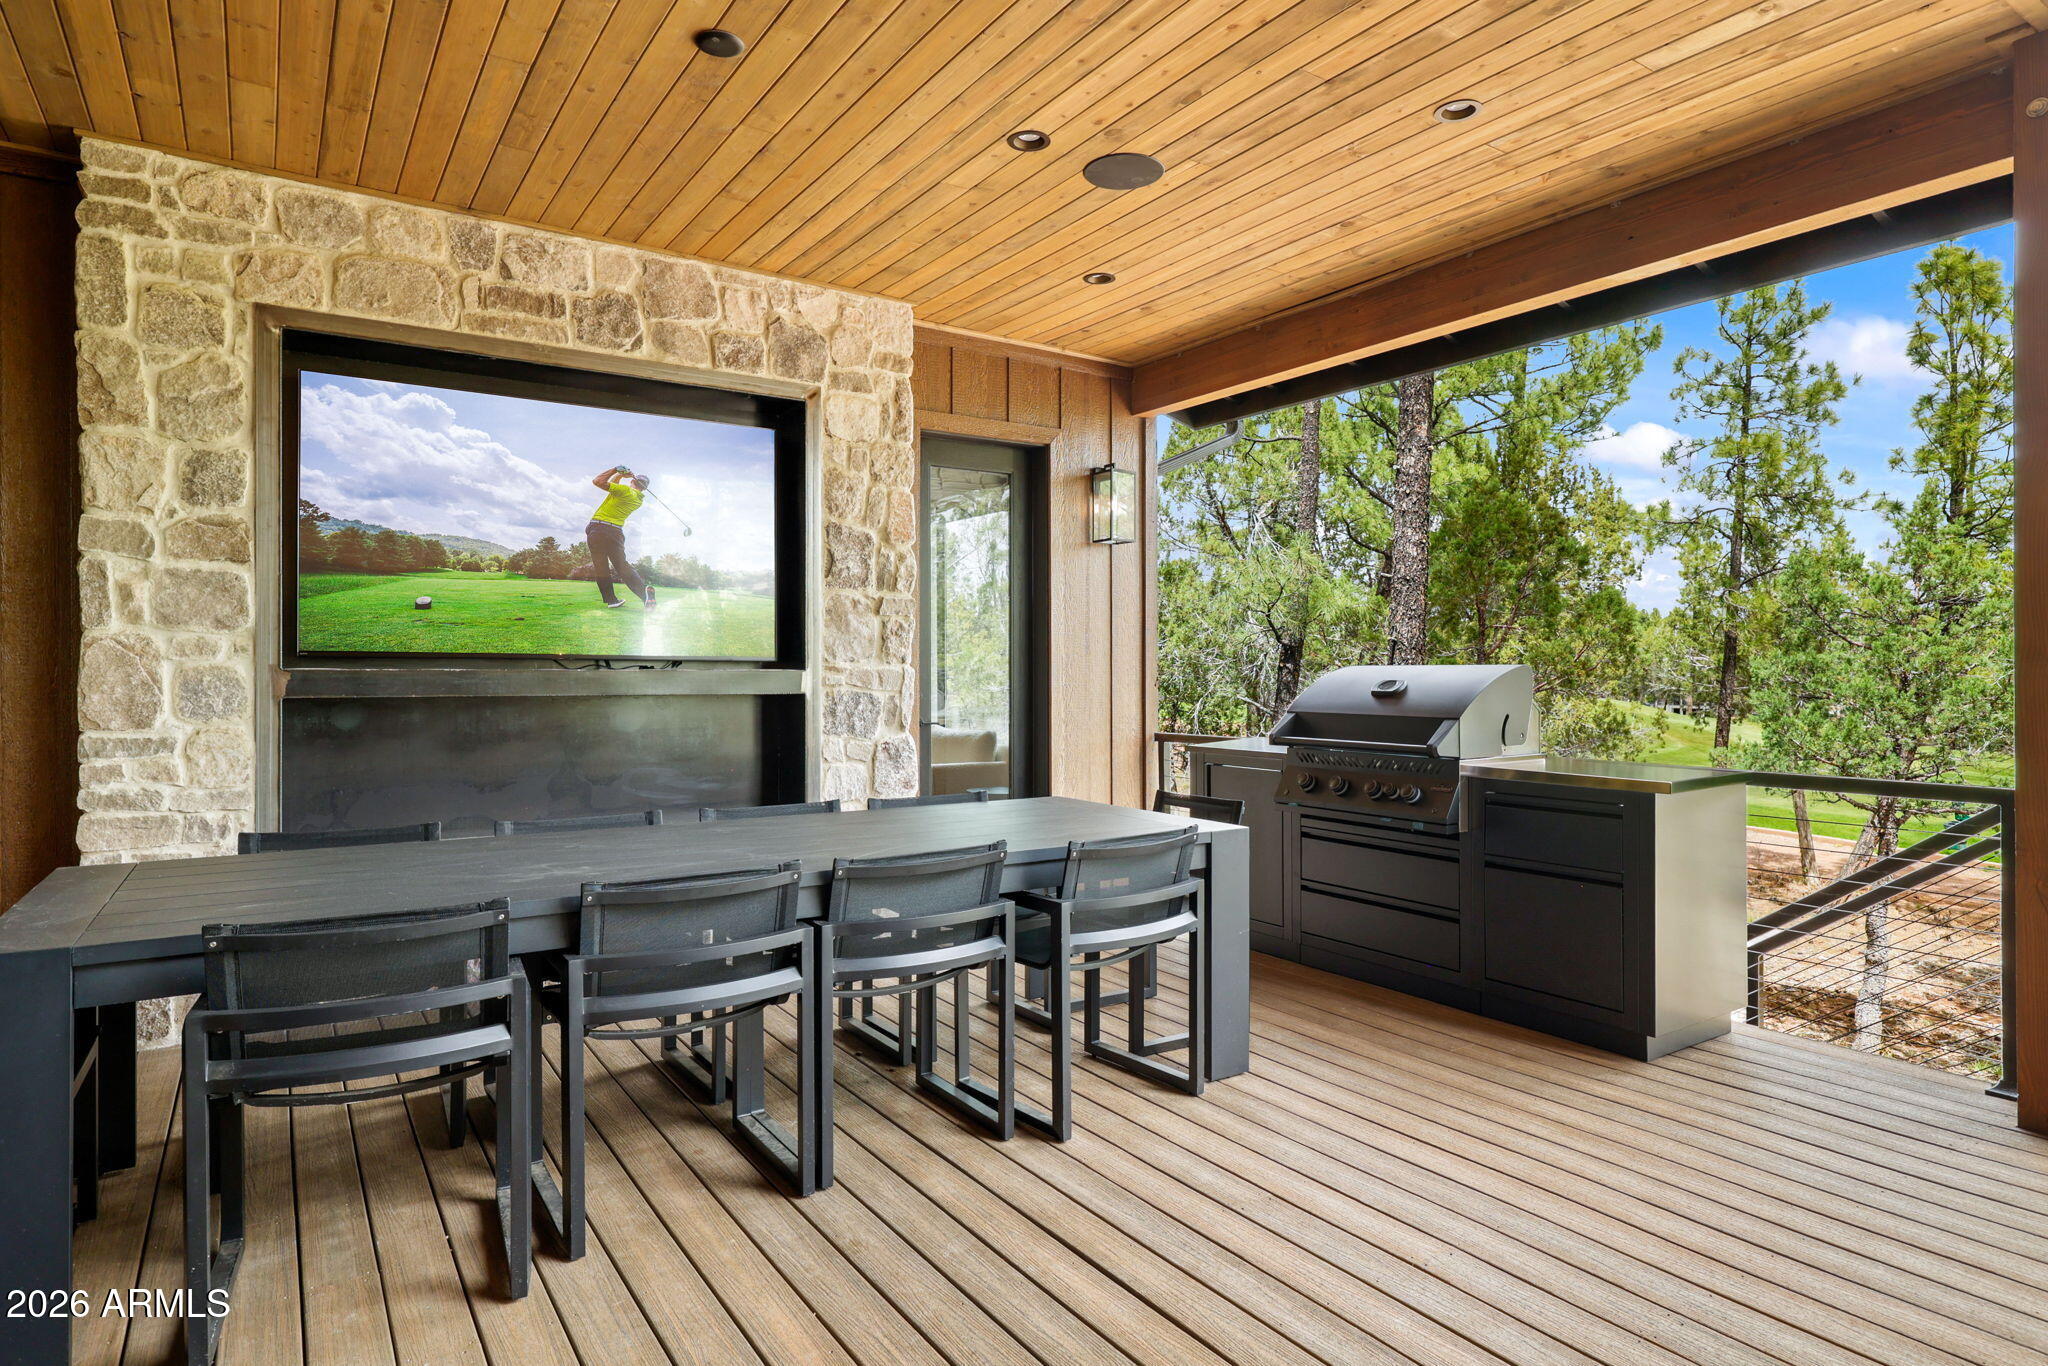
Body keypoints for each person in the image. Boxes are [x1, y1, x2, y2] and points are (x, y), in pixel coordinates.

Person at [585, 466, 655, 609]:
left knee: (601, 567)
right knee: (622, 565)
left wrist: (615, 470)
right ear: (644, 488)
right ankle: (644, 596)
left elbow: (597, 481)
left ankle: (611, 600)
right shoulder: (638, 499)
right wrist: (620, 475)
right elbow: (614, 486)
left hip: (599, 529)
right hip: (615, 532)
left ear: (633, 481)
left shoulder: (625, 490)